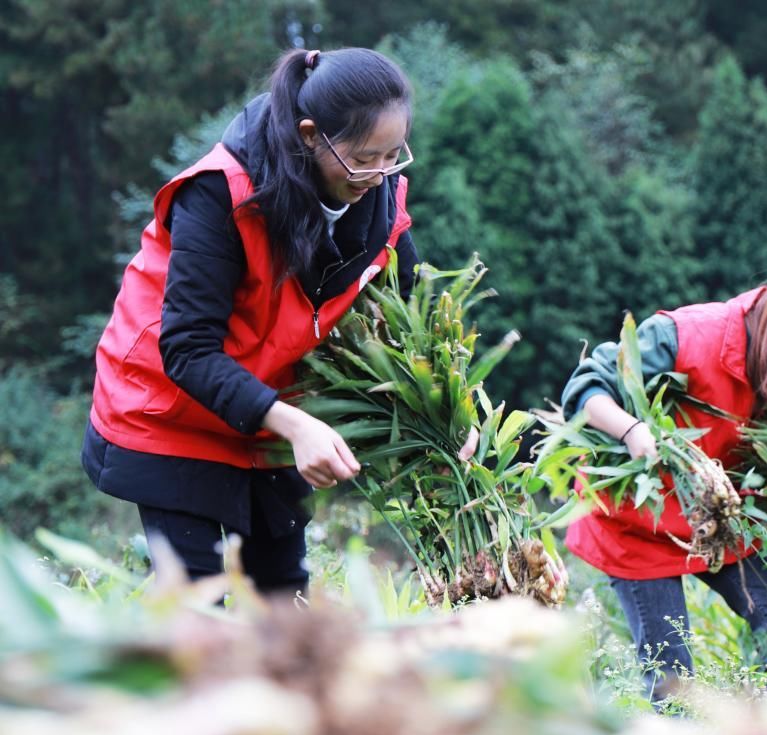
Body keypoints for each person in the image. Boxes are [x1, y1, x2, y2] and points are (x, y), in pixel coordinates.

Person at [82, 47, 474, 595]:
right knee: (197, 605)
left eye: (393, 155)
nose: (380, 174)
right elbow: (189, 351)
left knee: (283, 595)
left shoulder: (381, 197)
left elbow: (416, 315)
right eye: (365, 157)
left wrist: (452, 412)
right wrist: (296, 425)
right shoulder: (220, 193)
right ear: (311, 135)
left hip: (270, 417)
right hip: (168, 408)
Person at [561, 253, 767, 703]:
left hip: (723, 519)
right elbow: (586, 385)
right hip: (639, 526)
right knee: (673, 686)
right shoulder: (694, 334)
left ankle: (764, 729)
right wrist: (633, 430)